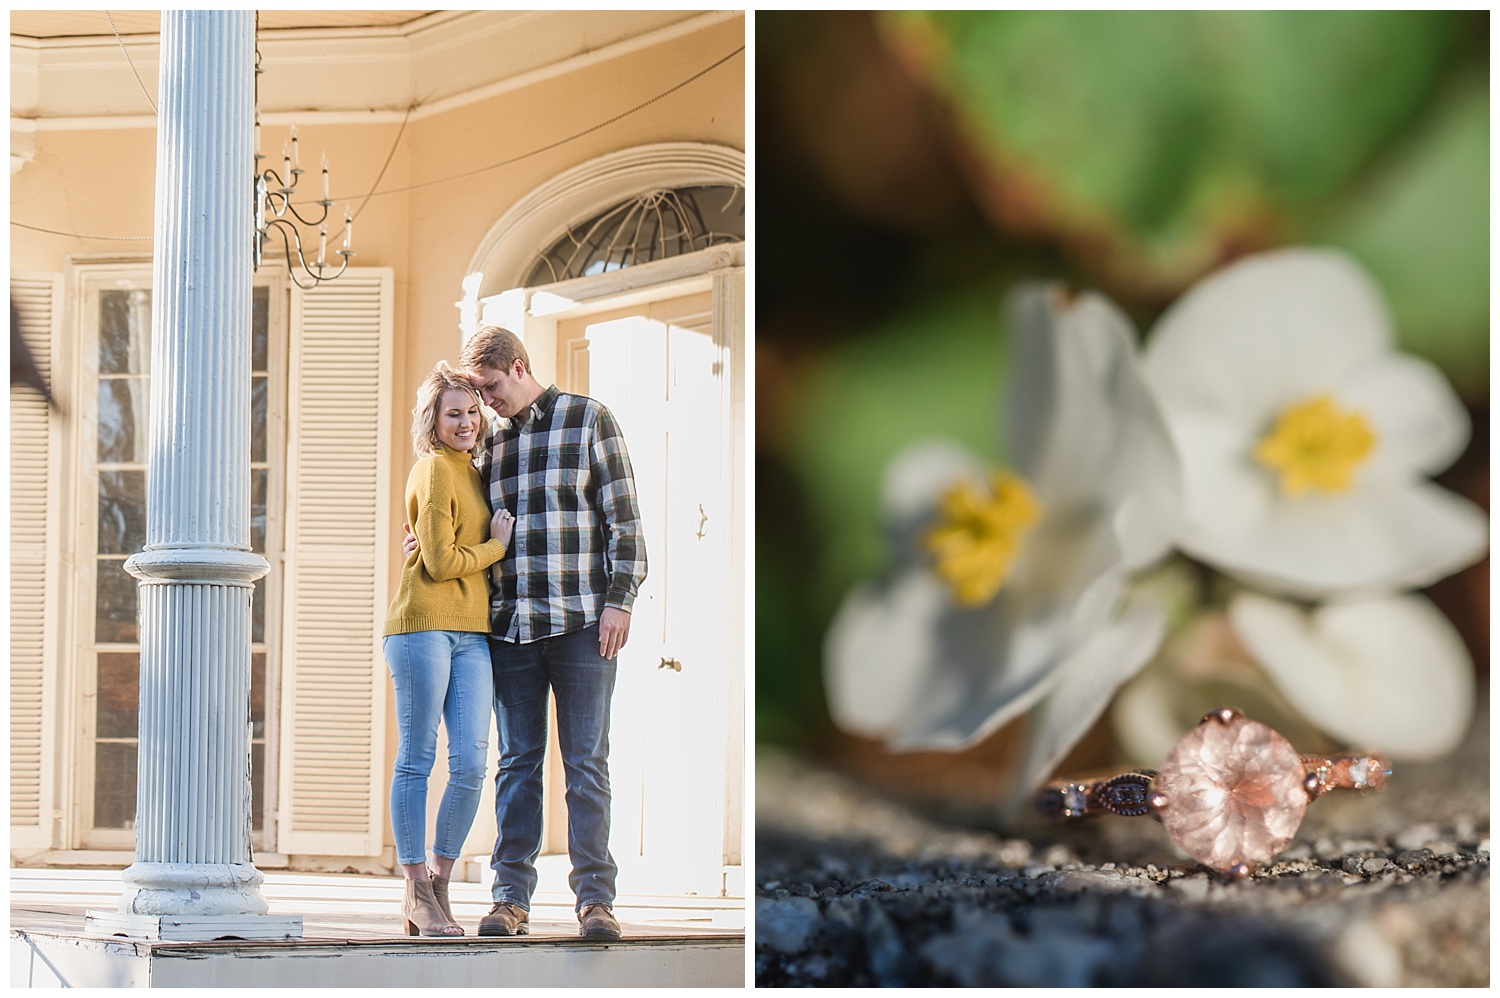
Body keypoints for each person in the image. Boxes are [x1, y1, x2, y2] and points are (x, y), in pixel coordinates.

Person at [408, 325, 647, 940]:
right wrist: (421, 540)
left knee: (586, 764)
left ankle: (596, 902)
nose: (485, 404)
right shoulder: (488, 447)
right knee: (516, 765)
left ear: (517, 366)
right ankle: (510, 899)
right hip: (509, 629)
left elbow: (626, 524)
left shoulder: (590, 420)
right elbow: (455, 519)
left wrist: (619, 601)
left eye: (489, 389)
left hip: (583, 624)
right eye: (476, 396)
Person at [383, 362, 515, 936]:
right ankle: (415, 888)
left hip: (471, 631)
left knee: (471, 763)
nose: (465, 421)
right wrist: (495, 549)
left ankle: (437, 881)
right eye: (452, 413)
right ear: (432, 421)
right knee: (417, 757)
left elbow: (431, 542)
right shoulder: (435, 469)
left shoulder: (474, 472)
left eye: (470, 411)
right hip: (423, 626)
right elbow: (437, 564)